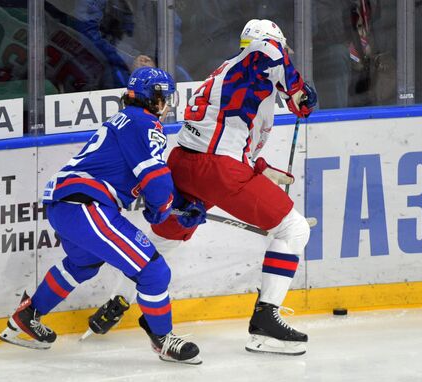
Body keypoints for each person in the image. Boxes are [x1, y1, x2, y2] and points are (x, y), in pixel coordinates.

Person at [87, 19, 318, 356]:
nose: (285, 53)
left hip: (185, 162)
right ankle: (266, 325)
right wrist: (299, 94)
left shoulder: (234, 75)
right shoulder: (259, 56)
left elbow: (225, 132)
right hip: (217, 168)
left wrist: (260, 168)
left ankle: (117, 300)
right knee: (294, 230)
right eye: (283, 46)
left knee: (165, 239)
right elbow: (269, 52)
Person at [0, 66, 206, 365]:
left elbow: (144, 178)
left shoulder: (126, 119)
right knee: (153, 271)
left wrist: (178, 202)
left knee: (83, 263)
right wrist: (162, 210)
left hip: (65, 204)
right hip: (86, 206)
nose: (167, 104)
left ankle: (26, 317)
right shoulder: (145, 123)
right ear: (154, 98)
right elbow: (156, 180)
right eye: (165, 97)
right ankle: (164, 339)